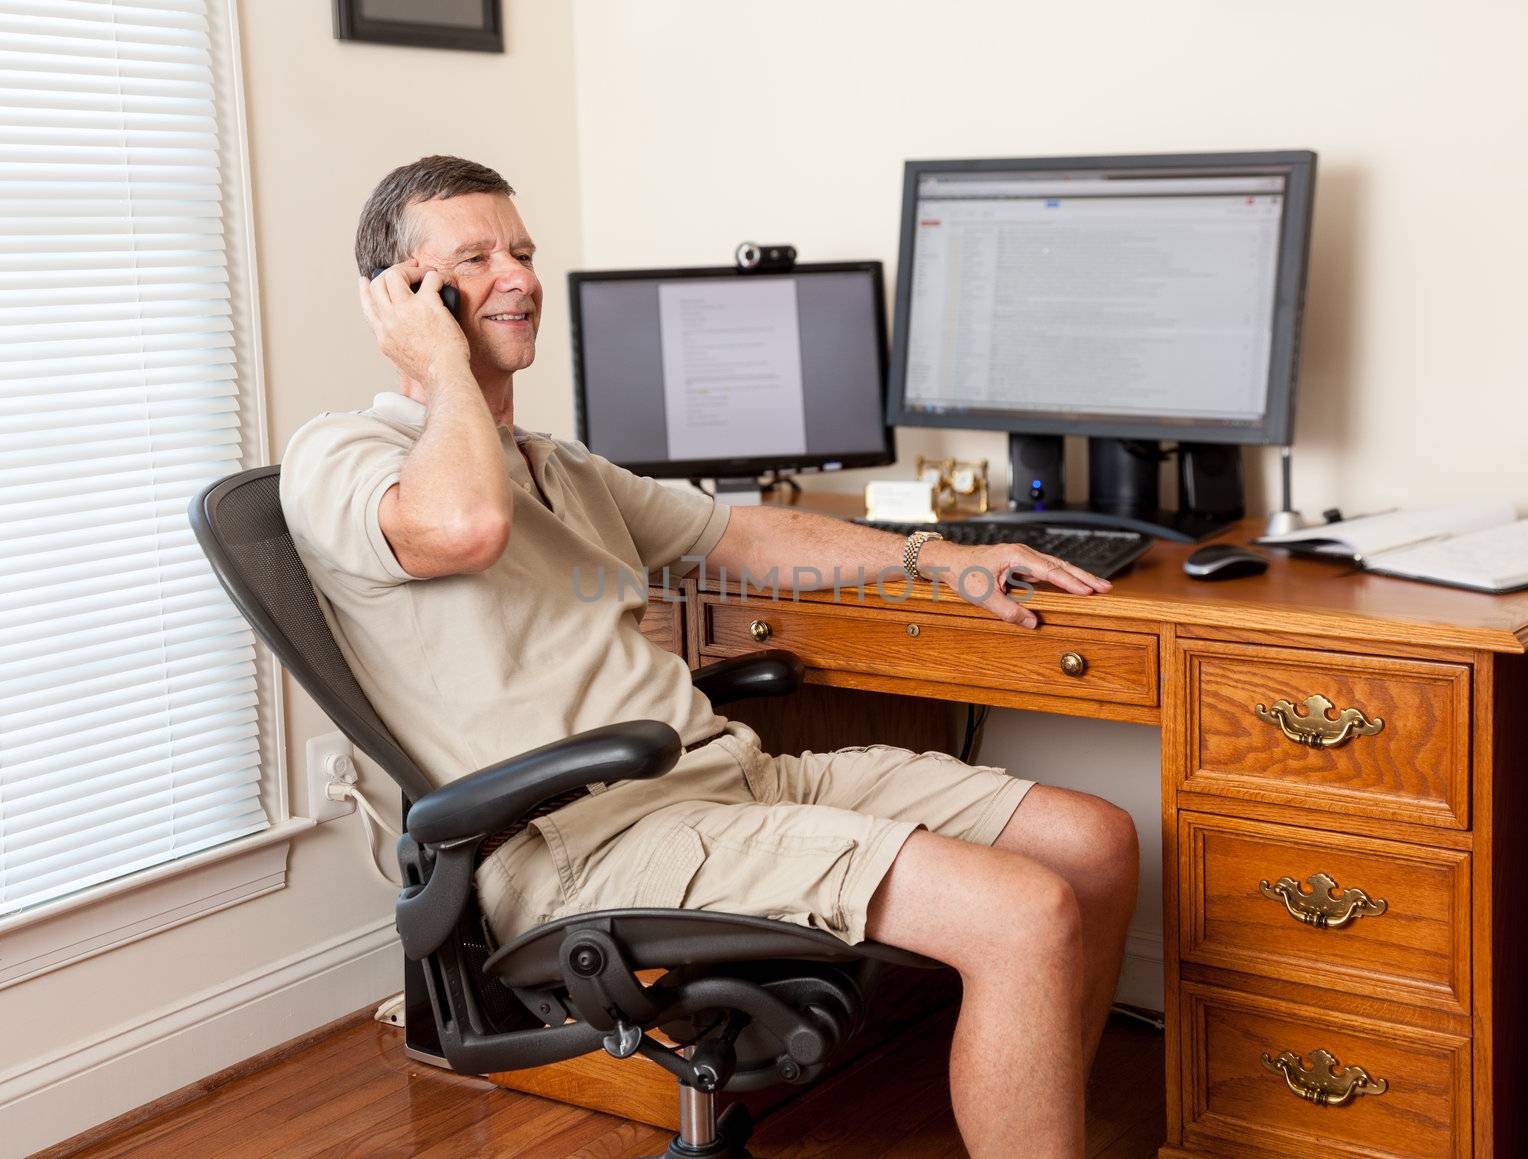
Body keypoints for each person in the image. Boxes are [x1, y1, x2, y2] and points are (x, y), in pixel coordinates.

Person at [280, 155, 1140, 1159]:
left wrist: (939, 555)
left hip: (725, 781)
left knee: (1092, 843)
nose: (516, 276)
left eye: (521, 251)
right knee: (1020, 911)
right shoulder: (340, 457)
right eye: (474, 258)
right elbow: (463, 525)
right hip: (585, 840)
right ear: (401, 295)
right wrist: (438, 369)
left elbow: (738, 536)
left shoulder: (555, 466)